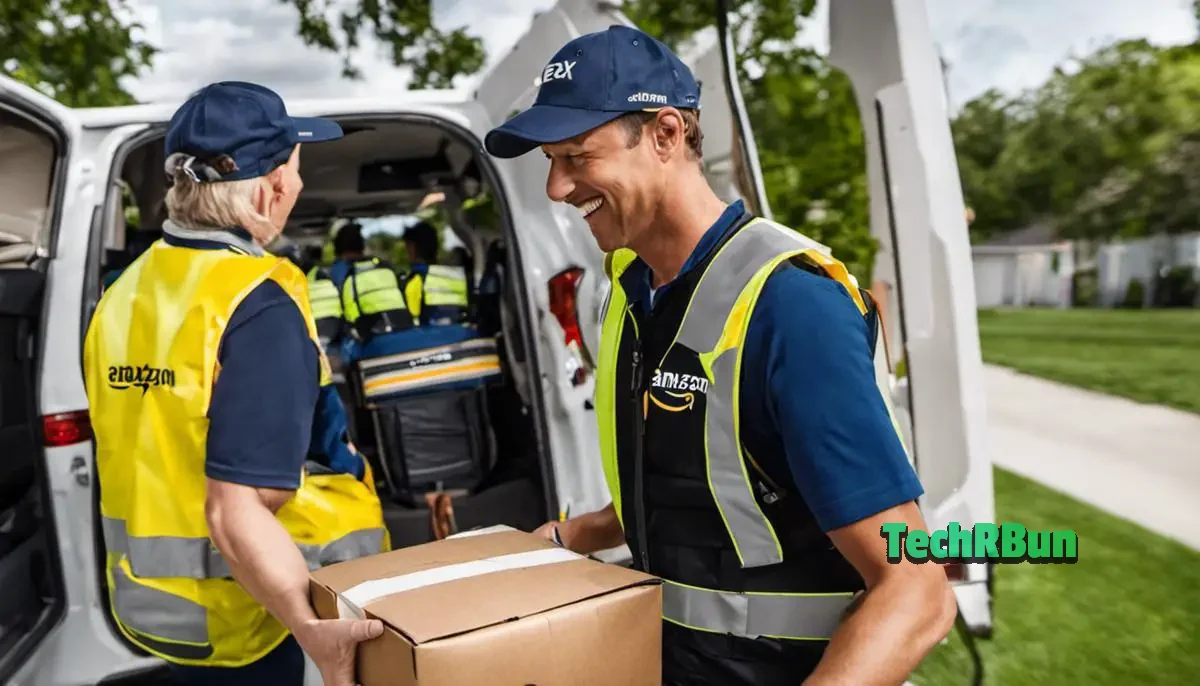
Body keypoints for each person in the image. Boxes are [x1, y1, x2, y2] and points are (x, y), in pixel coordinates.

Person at [484, 26, 956, 686]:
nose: (556, 189)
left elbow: (916, 592)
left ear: (666, 135)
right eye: (550, 163)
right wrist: (575, 535)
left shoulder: (790, 305)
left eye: (575, 157)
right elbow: (703, 484)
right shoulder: (632, 293)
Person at [82, 81, 388, 686]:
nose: (296, 185)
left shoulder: (122, 293)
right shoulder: (256, 304)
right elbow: (235, 509)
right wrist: (310, 628)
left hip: (156, 604)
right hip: (247, 614)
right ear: (273, 186)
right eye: (296, 168)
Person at [401, 220, 470, 326]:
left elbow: (410, 318)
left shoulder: (416, 279)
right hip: (460, 335)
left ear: (412, 247)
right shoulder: (455, 275)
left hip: (429, 338)